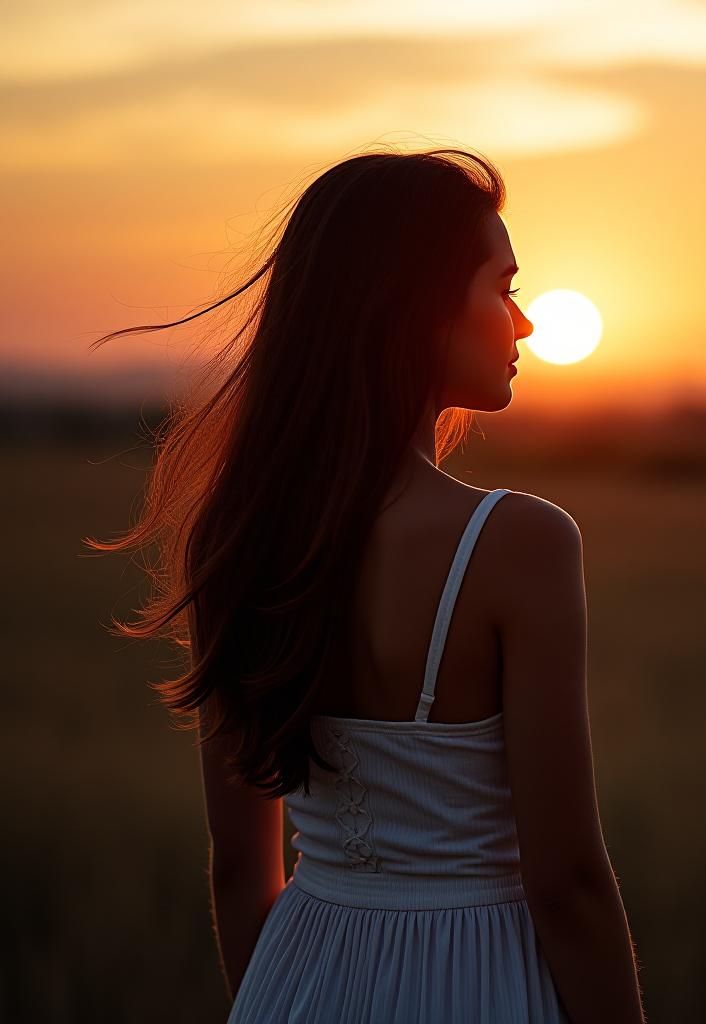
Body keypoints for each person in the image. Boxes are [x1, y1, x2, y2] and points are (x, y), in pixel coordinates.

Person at [86, 147, 646, 1022]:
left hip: (294, 981)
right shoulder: (517, 542)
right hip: (478, 984)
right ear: (416, 310)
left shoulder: (239, 537)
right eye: (503, 287)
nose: (525, 322)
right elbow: (568, 884)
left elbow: (239, 870)